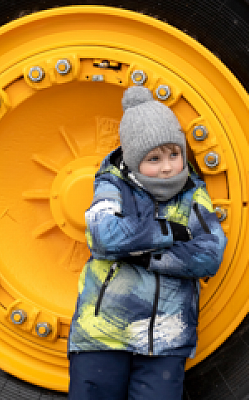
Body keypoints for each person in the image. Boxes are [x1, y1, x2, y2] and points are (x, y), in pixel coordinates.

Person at [68, 85, 227, 400]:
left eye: (174, 154)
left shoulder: (194, 193)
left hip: (166, 339)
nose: (167, 166)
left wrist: (142, 256)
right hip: (103, 334)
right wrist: (170, 231)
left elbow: (210, 255)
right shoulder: (112, 185)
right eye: (153, 158)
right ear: (133, 159)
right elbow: (103, 236)